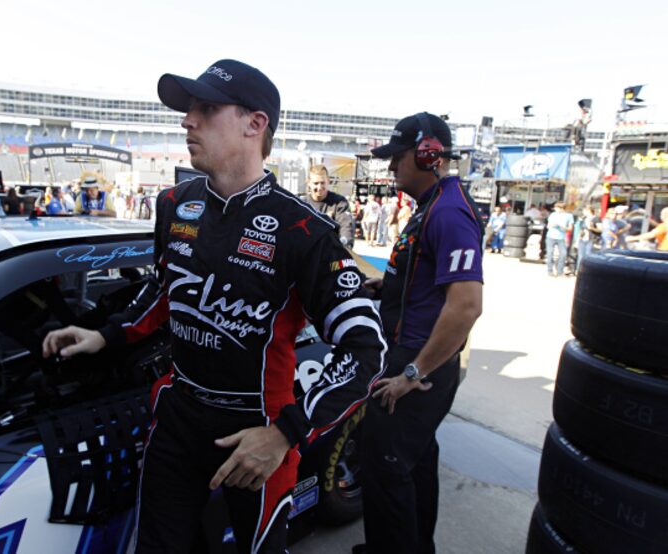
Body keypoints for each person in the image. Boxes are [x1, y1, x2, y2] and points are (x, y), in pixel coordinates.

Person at [41, 59, 386, 553]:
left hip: (259, 429)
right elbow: (167, 292)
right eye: (188, 110)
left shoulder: (303, 231)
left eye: (205, 108)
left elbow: (366, 346)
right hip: (179, 413)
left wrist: (286, 433)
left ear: (255, 123)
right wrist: (108, 335)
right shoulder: (174, 204)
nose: (187, 120)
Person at [357, 112, 484, 554]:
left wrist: (412, 374)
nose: (390, 167)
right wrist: (386, 285)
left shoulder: (449, 213)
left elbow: (466, 305)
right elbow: (425, 278)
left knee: (385, 467)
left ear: (429, 154)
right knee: (414, 463)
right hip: (415, 354)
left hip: (419, 364)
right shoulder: (431, 207)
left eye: (397, 157)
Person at [300, 164, 355, 247]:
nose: (319, 187)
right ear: (308, 183)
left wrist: (344, 245)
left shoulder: (339, 202)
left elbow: (346, 227)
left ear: (328, 181)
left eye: (323, 183)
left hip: (329, 250)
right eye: (316, 183)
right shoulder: (301, 203)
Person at [545, 202, 574, 277]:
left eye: (557, 208)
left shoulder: (569, 216)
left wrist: (563, 227)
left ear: (562, 208)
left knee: (563, 254)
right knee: (550, 253)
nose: (555, 209)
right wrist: (552, 225)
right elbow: (548, 226)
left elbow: (570, 229)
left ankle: (560, 271)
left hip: (561, 237)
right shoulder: (553, 215)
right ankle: (550, 271)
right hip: (551, 236)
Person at [575, 206, 601, 272]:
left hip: (591, 239)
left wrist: (592, 228)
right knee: (580, 256)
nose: (583, 212)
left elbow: (600, 229)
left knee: (588, 256)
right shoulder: (584, 219)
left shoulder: (596, 218)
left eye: (584, 211)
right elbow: (581, 230)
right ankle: (579, 271)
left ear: (588, 210)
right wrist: (577, 240)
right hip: (583, 239)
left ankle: (587, 271)